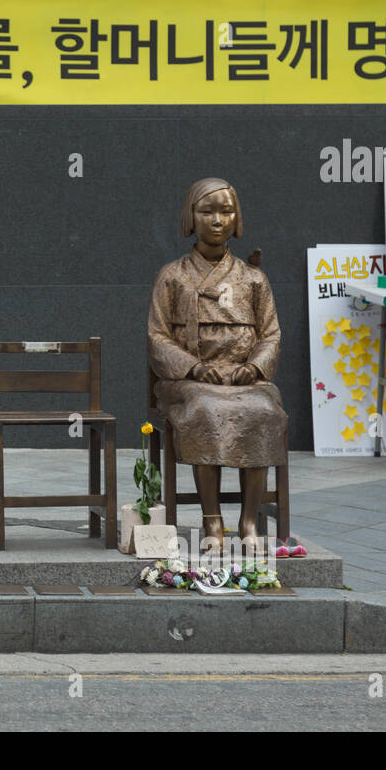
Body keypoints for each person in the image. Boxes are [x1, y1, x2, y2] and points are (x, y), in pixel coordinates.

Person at [147, 177, 287, 552]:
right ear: (190, 217)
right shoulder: (172, 276)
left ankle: (249, 521)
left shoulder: (253, 278)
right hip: (190, 381)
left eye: (226, 211)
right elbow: (157, 337)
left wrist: (254, 368)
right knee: (206, 410)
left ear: (237, 218)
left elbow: (271, 335)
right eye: (207, 211)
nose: (217, 220)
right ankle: (212, 522)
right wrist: (193, 367)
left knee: (263, 410)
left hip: (244, 380)